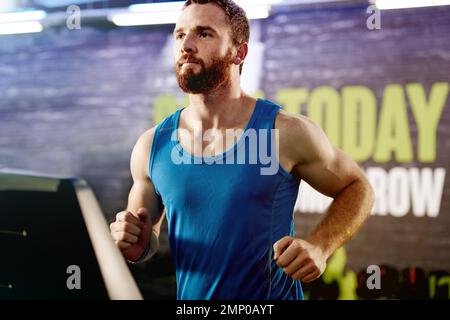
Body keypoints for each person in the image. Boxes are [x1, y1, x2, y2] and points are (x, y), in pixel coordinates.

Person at [109, 0, 374, 300]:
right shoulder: (152, 145)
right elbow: (144, 241)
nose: (187, 45)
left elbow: (358, 186)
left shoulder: (284, 132)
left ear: (239, 52)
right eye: (180, 35)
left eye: (204, 34)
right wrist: (133, 242)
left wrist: (321, 246)